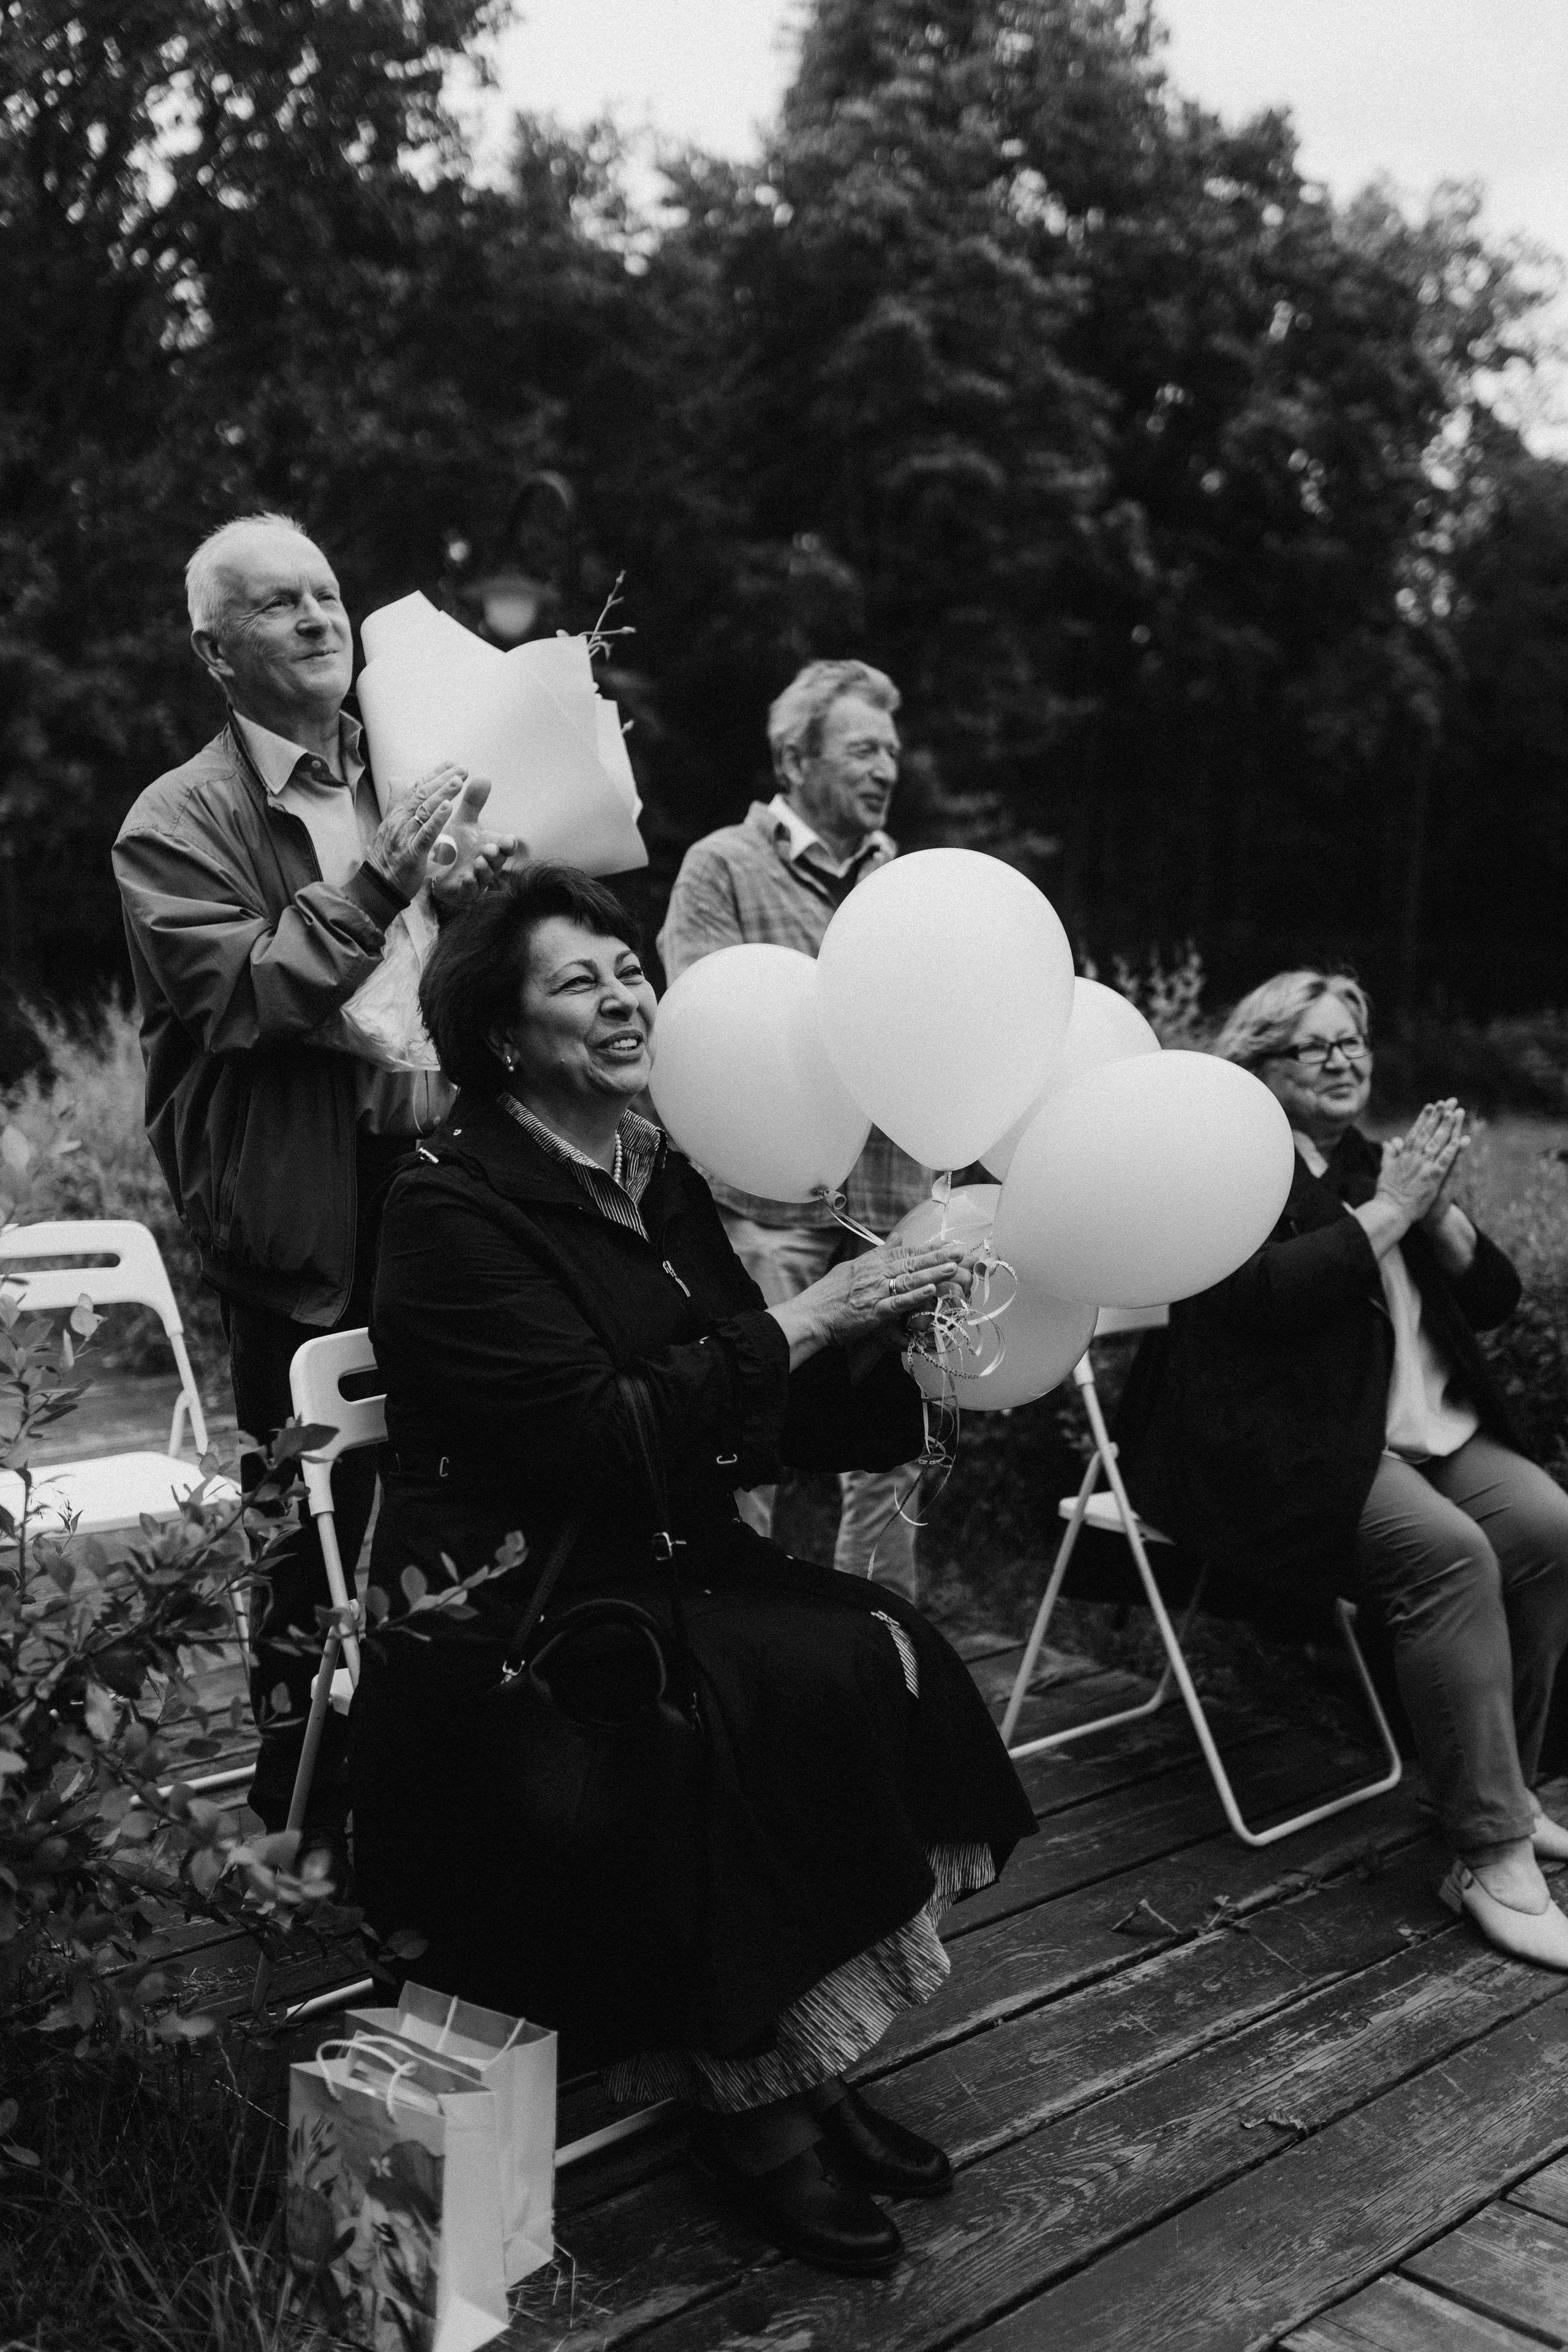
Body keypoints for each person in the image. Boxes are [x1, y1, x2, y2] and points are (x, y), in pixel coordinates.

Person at [350, 862, 1036, 2275]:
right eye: (578, 980)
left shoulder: (649, 1171)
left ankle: (801, 2055)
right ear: (500, 1036)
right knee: (752, 1700)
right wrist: (813, 1314)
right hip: (513, 1596)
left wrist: (892, 1359)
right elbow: (593, 1435)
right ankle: (752, 2112)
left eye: (628, 970)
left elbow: (734, 1391)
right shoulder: (445, 1204)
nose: (625, 996)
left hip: (664, 1547)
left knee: (883, 1647)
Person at [113, 511, 514, 1847]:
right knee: (306, 1514)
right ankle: (304, 1803)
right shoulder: (174, 823)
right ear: (213, 652)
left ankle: (449, 1772)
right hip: (300, 1206)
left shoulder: (412, 764)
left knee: (462, 1480)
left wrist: (484, 896)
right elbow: (243, 996)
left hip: (446, 1172)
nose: (318, 618)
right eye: (278, 603)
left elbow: (464, 974)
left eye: (328, 594)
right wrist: (383, 880)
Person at [1119, 968, 1568, 1968]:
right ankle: (1490, 1855)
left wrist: (1435, 1211)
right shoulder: (1231, 1169)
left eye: (1352, 1041)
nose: (1341, 1059)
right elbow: (1269, 1297)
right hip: (1282, 1446)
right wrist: (1394, 1210)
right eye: (1314, 1045)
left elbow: (1494, 1299)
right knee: (1450, 1557)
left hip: (1417, 1430)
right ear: (1259, 1064)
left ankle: (1498, 1789)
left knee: (1547, 1529)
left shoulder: (1377, 1162)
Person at [658, 659, 932, 1599]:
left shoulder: (909, 884)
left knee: (897, 1453)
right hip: (768, 1207)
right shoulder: (722, 867)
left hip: (895, 1203)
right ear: (794, 758)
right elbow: (706, 1027)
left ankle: (891, 1642)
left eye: (891, 750)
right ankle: (740, 1635)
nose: (886, 768)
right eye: (862, 749)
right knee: (751, 1433)